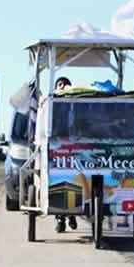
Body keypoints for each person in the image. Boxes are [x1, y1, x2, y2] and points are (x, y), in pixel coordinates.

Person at [53, 76, 78, 232]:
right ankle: (61, 219)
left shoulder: (76, 106)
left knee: (73, 182)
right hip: (57, 148)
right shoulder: (52, 105)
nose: (62, 87)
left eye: (65, 85)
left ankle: (73, 214)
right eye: (60, 84)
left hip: (74, 149)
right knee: (59, 183)